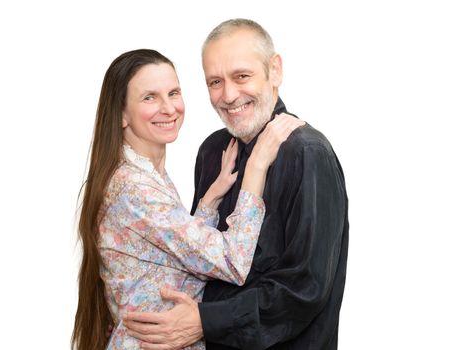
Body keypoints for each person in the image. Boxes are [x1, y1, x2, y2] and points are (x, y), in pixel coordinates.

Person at [123, 19, 349, 350]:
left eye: (242, 76)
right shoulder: (213, 151)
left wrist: (204, 320)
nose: (228, 95)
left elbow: (305, 289)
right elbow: (200, 259)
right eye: (215, 82)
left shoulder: (307, 153)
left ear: (275, 71)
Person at [71, 49, 304, 350]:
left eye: (173, 93)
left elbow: (176, 258)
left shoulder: (143, 174)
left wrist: (210, 199)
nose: (168, 108)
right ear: (121, 115)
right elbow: (233, 262)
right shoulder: (134, 189)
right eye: (149, 98)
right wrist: (256, 166)